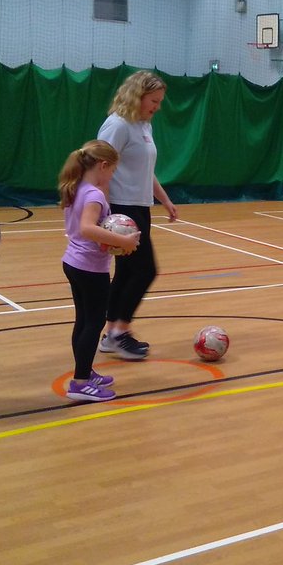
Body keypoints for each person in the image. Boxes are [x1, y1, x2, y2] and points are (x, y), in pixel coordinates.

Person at [95, 70, 177, 360]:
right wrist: (102, 212)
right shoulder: (117, 126)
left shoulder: (143, 126)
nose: (157, 106)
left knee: (127, 272)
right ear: (137, 96)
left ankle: (111, 334)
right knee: (145, 271)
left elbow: (145, 171)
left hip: (141, 207)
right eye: (153, 100)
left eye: (159, 101)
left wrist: (165, 200)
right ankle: (119, 332)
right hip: (121, 209)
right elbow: (98, 169)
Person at [57, 141, 140, 401]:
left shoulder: (77, 188)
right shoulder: (94, 195)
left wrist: (112, 242)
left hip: (73, 262)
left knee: (83, 321)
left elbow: (85, 231)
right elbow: (87, 228)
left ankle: (84, 371)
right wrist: (124, 241)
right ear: (103, 166)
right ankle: (80, 383)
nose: (112, 176)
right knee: (93, 323)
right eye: (113, 170)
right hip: (90, 268)